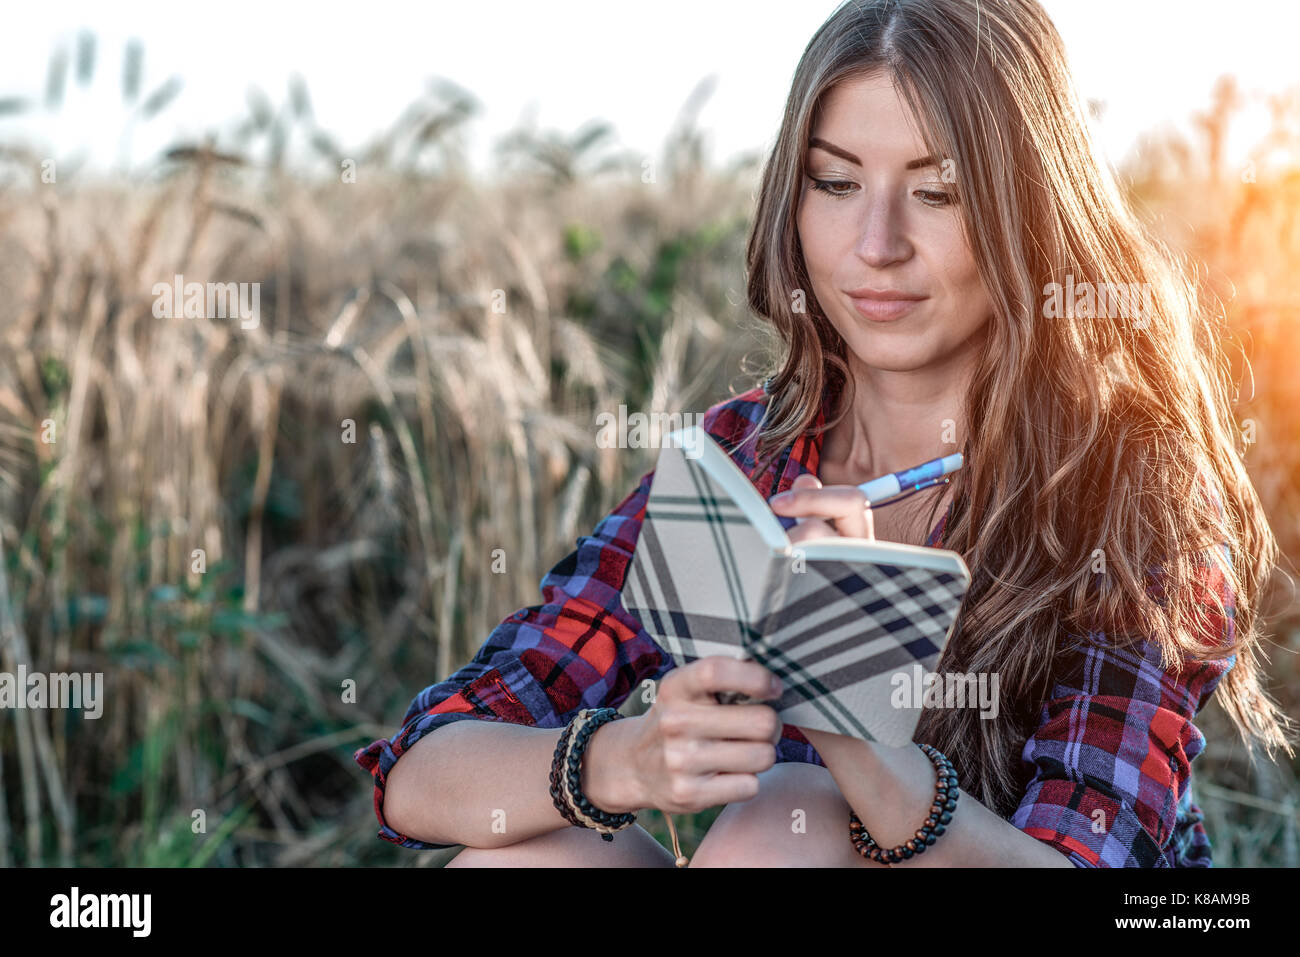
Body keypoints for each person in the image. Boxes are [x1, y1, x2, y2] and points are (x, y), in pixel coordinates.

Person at [354, 0, 1294, 867]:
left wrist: (849, 708)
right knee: (533, 856)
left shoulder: (1130, 487)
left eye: (940, 192)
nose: (875, 243)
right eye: (835, 182)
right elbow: (421, 769)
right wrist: (624, 761)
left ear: (1031, 210)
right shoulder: (748, 456)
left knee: (783, 818)